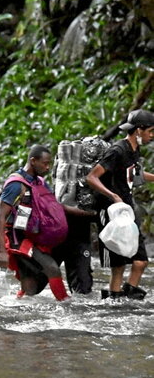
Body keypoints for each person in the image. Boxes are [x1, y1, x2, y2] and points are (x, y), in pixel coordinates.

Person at [86, 109, 154, 299]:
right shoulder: (118, 150)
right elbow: (92, 177)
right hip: (110, 210)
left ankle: (126, 295)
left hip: (126, 210)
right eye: (150, 131)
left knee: (140, 261)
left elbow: (135, 174)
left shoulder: (134, 150)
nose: (152, 136)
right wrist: (112, 195)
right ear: (139, 130)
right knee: (118, 264)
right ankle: (115, 301)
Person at [0, 145, 69, 301]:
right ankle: (66, 305)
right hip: (17, 238)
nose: (48, 167)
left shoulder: (40, 182)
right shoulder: (15, 184)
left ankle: (19, 300)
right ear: (33, 161)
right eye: (45, 163)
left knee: (30, 286)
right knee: (52, 268)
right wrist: (2, 251)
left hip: (35, 235)